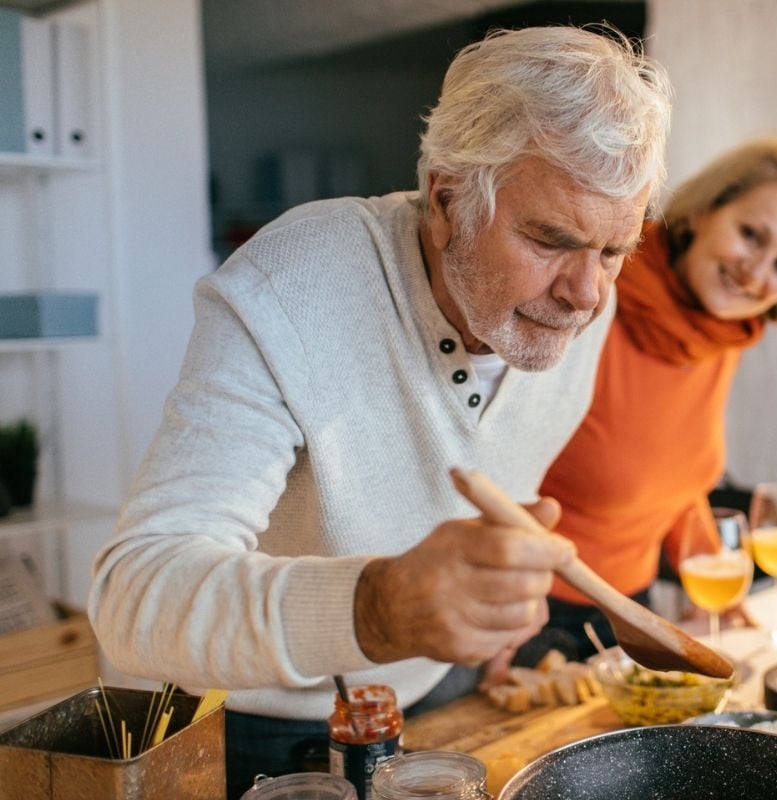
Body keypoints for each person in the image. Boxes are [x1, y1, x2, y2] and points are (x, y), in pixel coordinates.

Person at [87, 25, 670, 795]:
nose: (586, 294)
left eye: (613, 249)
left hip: (431, 706)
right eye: (549, 238)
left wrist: (476, 617)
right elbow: (135, 598)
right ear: (447, 199)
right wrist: (375, 608)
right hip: (238, 726)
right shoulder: (294, 285)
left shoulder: (575, 302)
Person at [526, 136, 777, 662]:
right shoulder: (591, 297)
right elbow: (494, 468)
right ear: (703, 212)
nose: (756, 273)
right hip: (535, 621)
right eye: (750, 235)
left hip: (633, 610)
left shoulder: (719, 335)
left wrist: (717, 585)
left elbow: (674, 478)